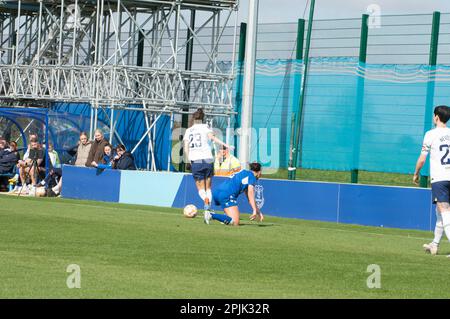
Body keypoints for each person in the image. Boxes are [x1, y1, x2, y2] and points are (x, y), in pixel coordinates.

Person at [413, 105, 450, 257]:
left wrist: (416, 173)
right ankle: (434, 244)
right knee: (440, 212)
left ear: (436, 117)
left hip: (440, 178)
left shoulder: (430, 134)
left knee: (445, 211)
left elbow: (422, 159)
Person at [183, 108, 232, 212]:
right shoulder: (205, 127)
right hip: (208, 159)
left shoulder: (188, 131)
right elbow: (213, 138)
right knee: (208, 187)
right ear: (202, 118)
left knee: (200, 188)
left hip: (196, 161)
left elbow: (186, 148)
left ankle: (205, 201)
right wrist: (225, 145)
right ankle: (208, 207)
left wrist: (188, 160)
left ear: (193, 118)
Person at [204, 162, 264, 226]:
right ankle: (210, 215)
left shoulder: (244, 173)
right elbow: (250, 193)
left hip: (218, 191)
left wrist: (258, 211)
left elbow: (249, 198)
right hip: (227, 194)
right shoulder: (252, 176)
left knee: (231, 218)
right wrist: (254, 210)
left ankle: (225, 217)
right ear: (259, 172)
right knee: (235, 222)